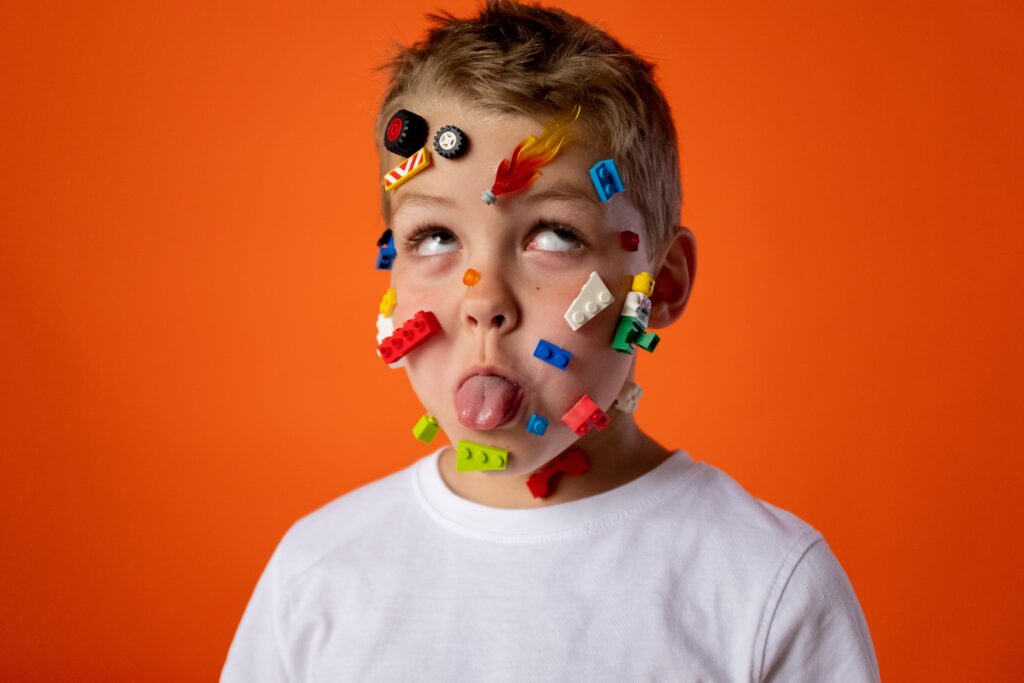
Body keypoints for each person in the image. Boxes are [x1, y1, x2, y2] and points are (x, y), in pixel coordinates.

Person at [221, 1, 880, 680]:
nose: (484, 301)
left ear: (664, 283)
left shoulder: (766, 586)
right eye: (434, 237)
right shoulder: (317, 576)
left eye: (554, 236)